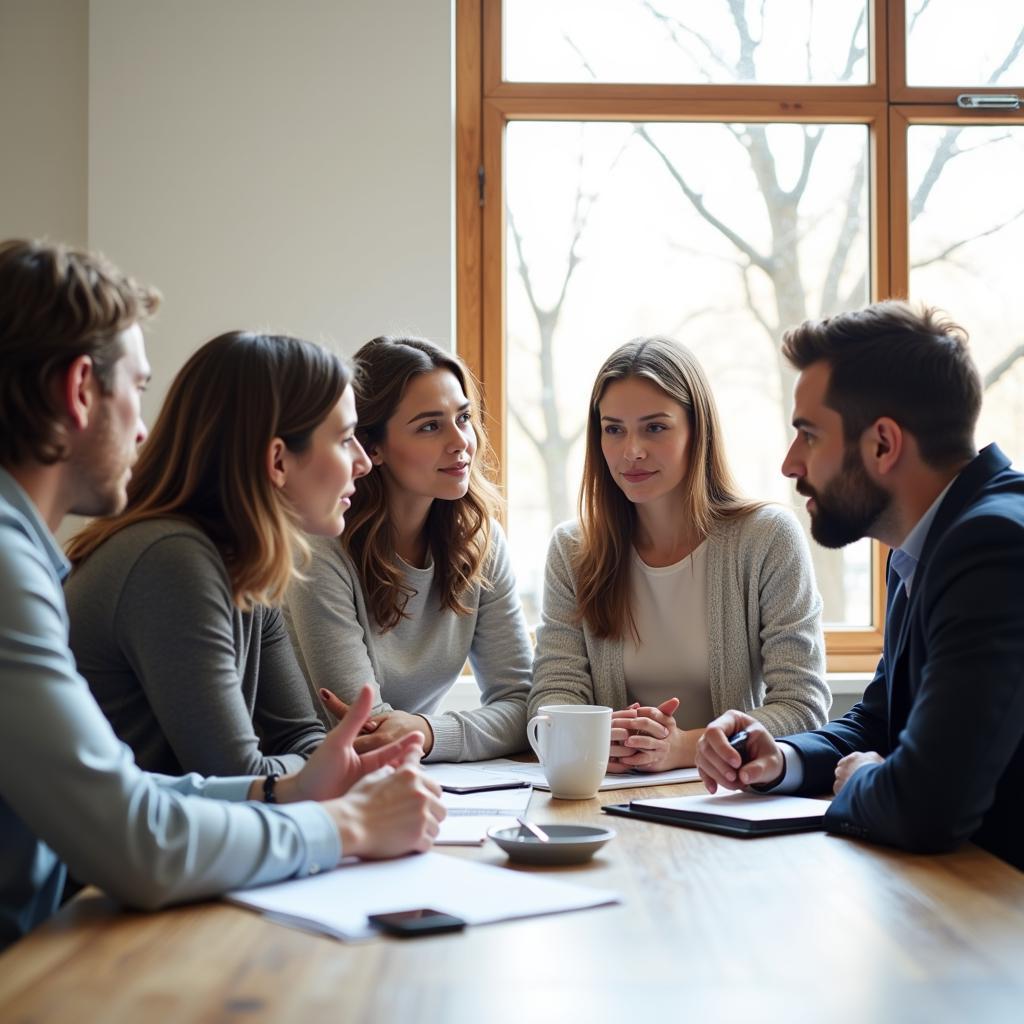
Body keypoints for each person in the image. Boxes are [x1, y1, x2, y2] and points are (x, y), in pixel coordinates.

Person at [0, 238, 444, 951]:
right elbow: (134, 838)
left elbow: (136, 795)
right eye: (137, 388)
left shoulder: (35, 559)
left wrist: (290, 792)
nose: (144, 427)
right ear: (81, 389)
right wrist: (346, 824)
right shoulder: (85, 562)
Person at [695, 301, 1024, 870]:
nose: (789, 465)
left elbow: (929, 804)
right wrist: (783, 758)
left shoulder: (992, 545)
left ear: (882, 444)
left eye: (809, 436)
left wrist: (863, 779)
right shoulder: (928, 544)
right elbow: (879, 720)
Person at [64, 330, 373, 778]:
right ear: (278, 461)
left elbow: (302, 738)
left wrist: (324, 763)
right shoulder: (171, 561)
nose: (362, 461)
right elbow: (236, 775)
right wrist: (323, 766)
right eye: (345, 440)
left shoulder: (249, 567)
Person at [531, 337, 830, 772]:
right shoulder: (573, 549)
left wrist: (684, 748)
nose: (632, 450)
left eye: (655, 427)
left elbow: (802, 707)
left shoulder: (767, 538)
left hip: (724, 796)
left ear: (697, 431)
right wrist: (600, 739)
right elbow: (551, 693)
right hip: (612, 796)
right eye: (613, 429)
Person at [285, 335, 532, 762]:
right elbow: (362, 729)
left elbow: (527, 708)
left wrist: (426, 732)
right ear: (372, 448)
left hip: (407, 776)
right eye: (430, 426)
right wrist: (426, 736)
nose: (461, 442)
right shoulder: (321, 550)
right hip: (305, 784)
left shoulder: (481, 541)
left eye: (464, 417)